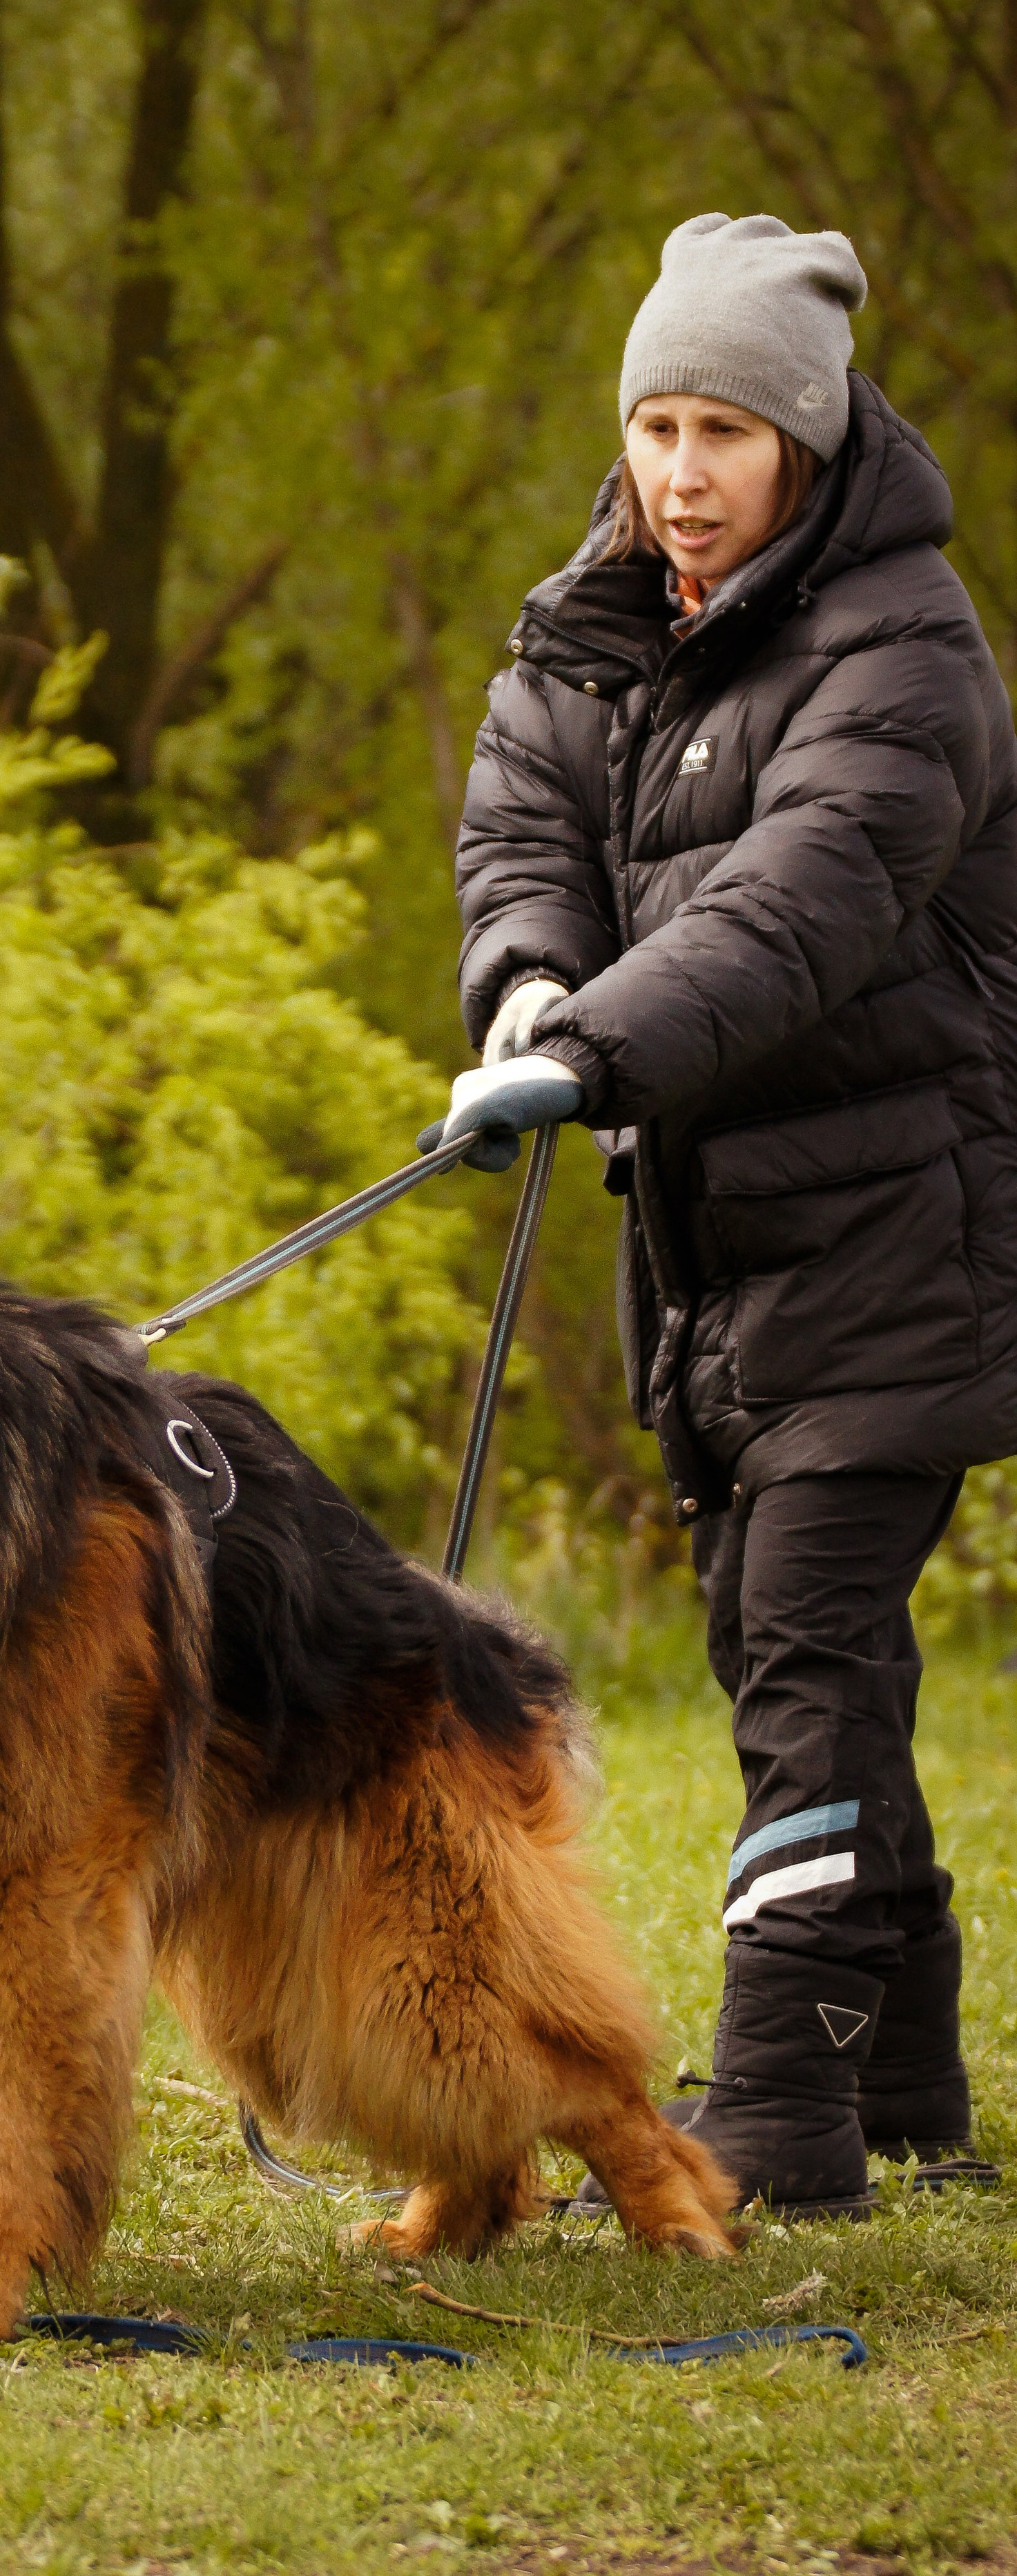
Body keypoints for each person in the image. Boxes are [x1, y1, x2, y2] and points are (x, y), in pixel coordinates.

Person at [445, 212, 1017, 2218]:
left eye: (727, 432)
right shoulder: (603, 618)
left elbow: (797, 912)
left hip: (903, 1242)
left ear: (812, 437)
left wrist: (591, 1049)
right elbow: (522, 819)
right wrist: (527, 980)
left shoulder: (912, 655)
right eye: (655, 423)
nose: (681, 472)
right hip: (710, 1263)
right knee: (799, 1648)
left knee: (803, 1645)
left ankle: (780, 2110)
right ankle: (915, 2077)